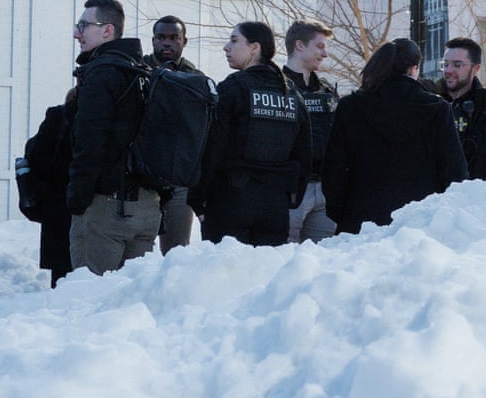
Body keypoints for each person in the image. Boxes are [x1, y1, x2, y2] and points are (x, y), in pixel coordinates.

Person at [324, 38, 468, 234]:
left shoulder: (351, 106)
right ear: (414, 69)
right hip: (419, 224)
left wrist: (339, 212)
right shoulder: (436, 108)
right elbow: (454, 170)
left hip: (359, 219)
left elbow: (334, 168)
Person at [191, 22, 310, 247]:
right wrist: (292, 197)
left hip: (230, 201)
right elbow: (303, 154)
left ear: (255, 48)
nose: (227, 47)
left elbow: (212, 147)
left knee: (223, 275)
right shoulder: (292, 94)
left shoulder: (233, 88)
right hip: (275, 206)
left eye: (234, 40)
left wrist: (198, 198)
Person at [67, 0, 159, 275]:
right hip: (148, 209)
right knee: (128, 309)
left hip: (107, 208)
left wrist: (78, 200)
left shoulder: (101, 73)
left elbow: (90, 142)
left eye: (84, 25)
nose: (76, 33)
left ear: (107, 31)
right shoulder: (146, 72)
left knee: (88, 299)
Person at [142, 15, 207, 254]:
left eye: (174, 38)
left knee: (176, 254)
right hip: (143, 176)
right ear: (153, 40)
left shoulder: (196, 79)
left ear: (184, 41)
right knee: (138, 254)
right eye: (161, 37)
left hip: (179, 177)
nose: (167, 43)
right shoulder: (139, 71)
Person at [282, 20, 339, 243]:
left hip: (325, 190)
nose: (325, 54)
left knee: (321, 264)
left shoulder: (326, 89)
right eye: (320, 46)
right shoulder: (278, 87)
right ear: (299, 45)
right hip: (291, 190)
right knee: (283, 259)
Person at [20, 85, 75, 288]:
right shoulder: (58, 117)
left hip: (67, 206)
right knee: (62, 273)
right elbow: (38, 158)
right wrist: (75, 171)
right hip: (60, 203)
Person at [437, 37, 486, 179]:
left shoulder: (483, 105)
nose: (448, 70)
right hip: (437, 198)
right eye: (445, 64)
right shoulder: (431, 104)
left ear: (475, 69)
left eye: (457, 65)